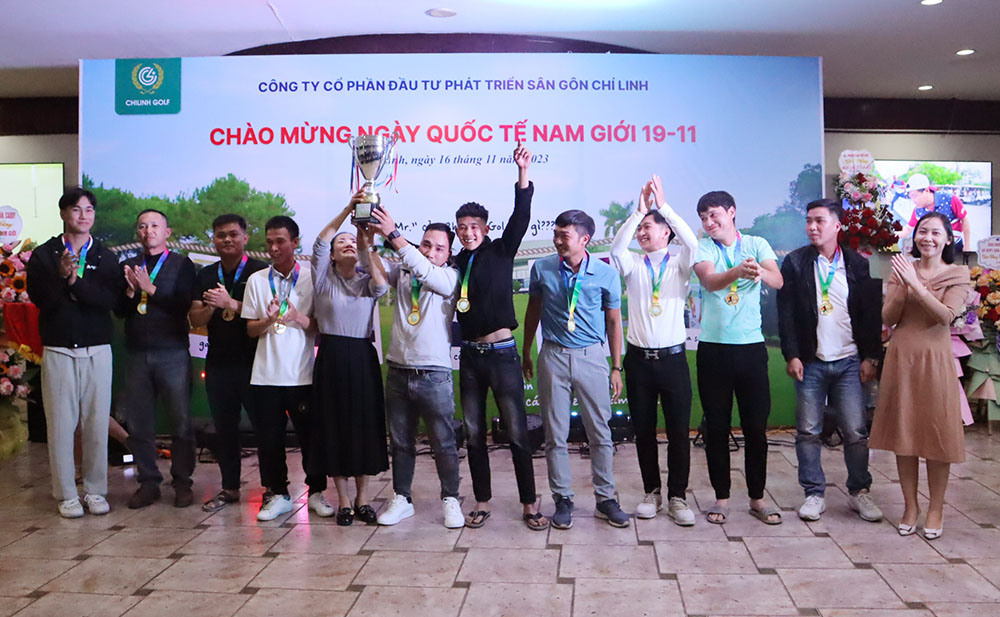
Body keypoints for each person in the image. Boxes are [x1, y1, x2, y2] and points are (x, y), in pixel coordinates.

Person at [453, 142, 546, 530]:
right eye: (462, 228)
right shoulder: (456, 262)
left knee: (518, 434)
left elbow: (521, 215)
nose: (468, 232)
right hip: (470, 358)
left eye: (474, 227)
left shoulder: (502, 250)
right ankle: (482, 501)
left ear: (486, 229)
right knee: (474, 435)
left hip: (503, 355)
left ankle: (529, 504)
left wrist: (523, 173)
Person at [777, 198, 884, 523]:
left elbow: (870, 315)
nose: (812, 227)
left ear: (837, 225)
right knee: (808, 431)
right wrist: (792, 354)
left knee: (855, 430)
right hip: (811, 361)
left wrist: (871, 357)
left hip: (850, 361)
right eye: (809, 220)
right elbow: (786, 314)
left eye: (819, 221)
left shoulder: (858, 264)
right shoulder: (795, 263)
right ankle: (814, 493)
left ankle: (859, 491)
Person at [522, 209, 628, 529]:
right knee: (555, 435)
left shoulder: (606, 274)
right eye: (555, 234)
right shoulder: (542, 268)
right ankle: (563, 499)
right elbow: (533, 311)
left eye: (564, 236)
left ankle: (605, 499)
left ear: (585, 239)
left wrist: (616, 367)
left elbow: (614, 322)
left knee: (600, 433)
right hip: (552, 356)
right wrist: (527, 351)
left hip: (592, 357)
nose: (557, 241)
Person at [870, 212, 970, 540]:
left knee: (937, 435)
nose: (927, 238)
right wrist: (902, 284)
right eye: (922, 231)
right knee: (905, 434)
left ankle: (936, 509)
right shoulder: (902, 268)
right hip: (902, 358)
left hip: (935, 360)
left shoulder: (958, 273)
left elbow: (946, 316)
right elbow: (888, 317)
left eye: (936, 233)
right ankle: (910, 506)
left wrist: (916, 284)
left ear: (948, 239)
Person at [26, 187, 124, 517]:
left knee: (96, 424)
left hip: (97, 349)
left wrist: (74, 283)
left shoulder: (105, 256)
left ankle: (95, 490)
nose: (83, 215)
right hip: (59, 348)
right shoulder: (44, 255)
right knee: (60, 425)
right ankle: (66, 493)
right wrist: (60, 276)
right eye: (76, 209)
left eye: (89, 210)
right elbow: (42, 301)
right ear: (63, 214)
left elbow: (108, 301)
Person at [367, 206, 465, 529]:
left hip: (434, 374)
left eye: (439, 248)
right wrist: (367, 242)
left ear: (449, 254)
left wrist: (394, 235)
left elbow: (425, 271)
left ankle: (451, 498)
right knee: (400, 442)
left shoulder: (449, 277)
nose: (431, 252)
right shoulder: (405, 271)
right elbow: (378, 272)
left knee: (443, 443)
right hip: (398, 371)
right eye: (426, 244)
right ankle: (402, 498)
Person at [609, 176, 698, 525]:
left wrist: (663, 207)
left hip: (673, 361)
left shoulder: (680, 264)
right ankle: (652, 492)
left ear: (666, 232)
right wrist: (638, 212)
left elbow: (692, 241)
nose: (643, 232)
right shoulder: (633, 264)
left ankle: (678, 496)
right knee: (643, 431)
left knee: (678, 432)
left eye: (649, 226)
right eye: (641, 228)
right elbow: (616, 249)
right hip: (639, 362)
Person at [693, 191, 783, 525]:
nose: (709, 222)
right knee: (716, 427)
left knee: (756, 427)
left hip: (751, 349)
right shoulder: (704, 247)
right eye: (703, 217)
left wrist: (758, 270)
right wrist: (737, 272)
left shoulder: (756, 244)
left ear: (731, 212)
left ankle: (757, 498)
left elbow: (777, 279)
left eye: (714, 214)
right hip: (713, 349)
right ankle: (722, 497)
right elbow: (709, 281)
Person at [308, 195, 389, 526]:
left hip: (361, 357)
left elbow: (382, 285)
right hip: (331, 357)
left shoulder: (366, 281)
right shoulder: (322, 278)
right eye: (341, 242)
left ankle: (363, 498)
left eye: (350, 242)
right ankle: (343, 500)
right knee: (335, 427)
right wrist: (348, 211)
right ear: (332, 254)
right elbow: (319, 242)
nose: (347, 244)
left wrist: (365, 243)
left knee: (363, 427)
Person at [242, 215, 328, 522]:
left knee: (310, 438)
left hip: (302, 375)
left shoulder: (311, 279)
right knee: (269, 440)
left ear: (295, 242)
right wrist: (268, 320)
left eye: (280, 241)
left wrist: (297, 318)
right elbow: (250, 330)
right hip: (265, 376)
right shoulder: (256, 281)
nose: (274, 248)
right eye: (269, 242)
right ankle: (277, 494)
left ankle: (317, 491)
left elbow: (321, 327)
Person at [116, 209, 198, 509]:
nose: (148, 231)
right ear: (137, 232)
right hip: (137, 352)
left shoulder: (181, 264)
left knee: (181, 421)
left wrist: (150, 289)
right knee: (139, 424)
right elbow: (120, 311)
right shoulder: (128, 265)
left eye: (154, 226)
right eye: (142, 226)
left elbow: (183, 306)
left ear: (167, 232)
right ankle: (148, 482)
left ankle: (182, 482)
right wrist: (130, 292)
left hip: (172, 352)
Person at [189, 214, 268, 512]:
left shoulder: (261, 272)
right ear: (214, 240)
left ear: (245, 238)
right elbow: (195, 319)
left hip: (256, 363)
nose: (227, 239)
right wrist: (212, 306)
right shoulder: (206, 275)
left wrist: (231, 304)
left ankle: (274, 488)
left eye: (233, 234)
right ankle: (230, 488)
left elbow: (268, 314)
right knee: (225, 430)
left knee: (265, 428)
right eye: (221, 235)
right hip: (219, 364)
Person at [901, 173, 969, 252]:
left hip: (954, 246)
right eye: (911, 198)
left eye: (914, 196)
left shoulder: (949, 199)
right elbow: (908, 228)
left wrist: (967, 246)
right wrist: (892, 235)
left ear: (926, 190)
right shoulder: (918, 210)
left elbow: (964, 219)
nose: (913, 201)